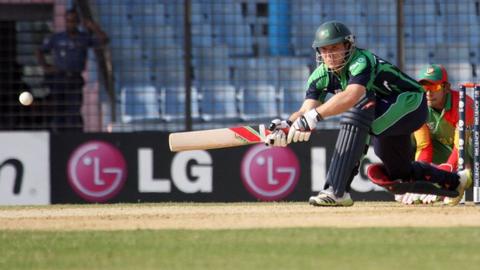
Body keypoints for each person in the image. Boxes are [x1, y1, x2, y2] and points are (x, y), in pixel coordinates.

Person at [264, 20, 471, 207]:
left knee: (359, 109)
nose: (329, 54)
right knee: (399, 172)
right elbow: (305, 109)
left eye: (335, 47)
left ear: (348, 46)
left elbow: (353, 95)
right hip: (385, 117)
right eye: (324, 49)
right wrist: (287, 125)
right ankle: (456, 181)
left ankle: (336, 190)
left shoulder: (361, 61)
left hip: (411, 105)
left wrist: (314, 117)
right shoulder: (319, 76)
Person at [396, 64, 475, 204]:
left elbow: (460, 147)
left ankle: (462, 178)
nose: (428, 93)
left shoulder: (463, 104)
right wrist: (419, 179)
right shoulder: (419, 108)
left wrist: (443, 175)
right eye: (424, 88)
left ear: (446, 87)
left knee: (469, 143)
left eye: (433, 87)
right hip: (448, 154)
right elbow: (424, 146)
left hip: (471, 157)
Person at [36, 9, 108, 132]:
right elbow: (40, 51)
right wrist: (45, 67)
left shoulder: (84, 38)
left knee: (74, 110)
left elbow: (104, 40)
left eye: (73, 21)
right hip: (59, 78)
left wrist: (93, 26)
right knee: (59, 109)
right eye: (68, 21)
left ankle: (75, 135)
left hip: (74, 78)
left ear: (78, 22)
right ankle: (57, 135)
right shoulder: (57, 38)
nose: (71, 24)